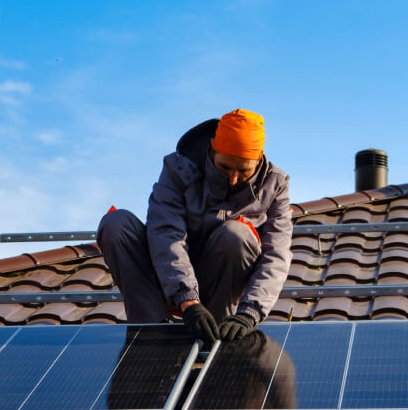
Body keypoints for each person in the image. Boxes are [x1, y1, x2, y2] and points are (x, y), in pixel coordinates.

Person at [97, 109, 292, 343]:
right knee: (116, 224)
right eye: (225, 167)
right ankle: (148, 332)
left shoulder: (275, 185)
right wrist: (188, 300)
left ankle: (217, 336)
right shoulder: (178, 168)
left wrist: (249, 313)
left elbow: (276, 255)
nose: (233, 178)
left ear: (259, 158)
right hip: (166, 278)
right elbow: (166, 234)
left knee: (236, 235)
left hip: (220, 286)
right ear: (212, 150)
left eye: (243, 171)